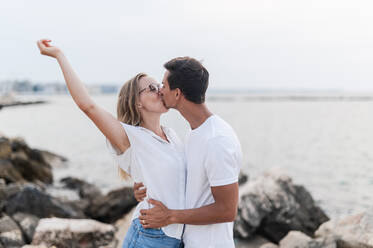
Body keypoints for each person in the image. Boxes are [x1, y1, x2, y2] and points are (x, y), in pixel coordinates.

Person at [36, 39, 187, 248]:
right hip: (150, 236)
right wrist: (59, 55)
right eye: (152, 88)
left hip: (177, 235)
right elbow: (86, 104)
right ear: (137, 102)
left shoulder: (172, 136)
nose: (160, 90)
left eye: (160, 85)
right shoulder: (129, 137)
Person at [135, 57, 243, 248]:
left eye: (164, 86)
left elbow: (227, 210)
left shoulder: (217, 139)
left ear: (177, 94)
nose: (160, 90)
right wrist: (147, 188)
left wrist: (170, 216)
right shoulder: (195, 133)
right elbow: (191, 186)